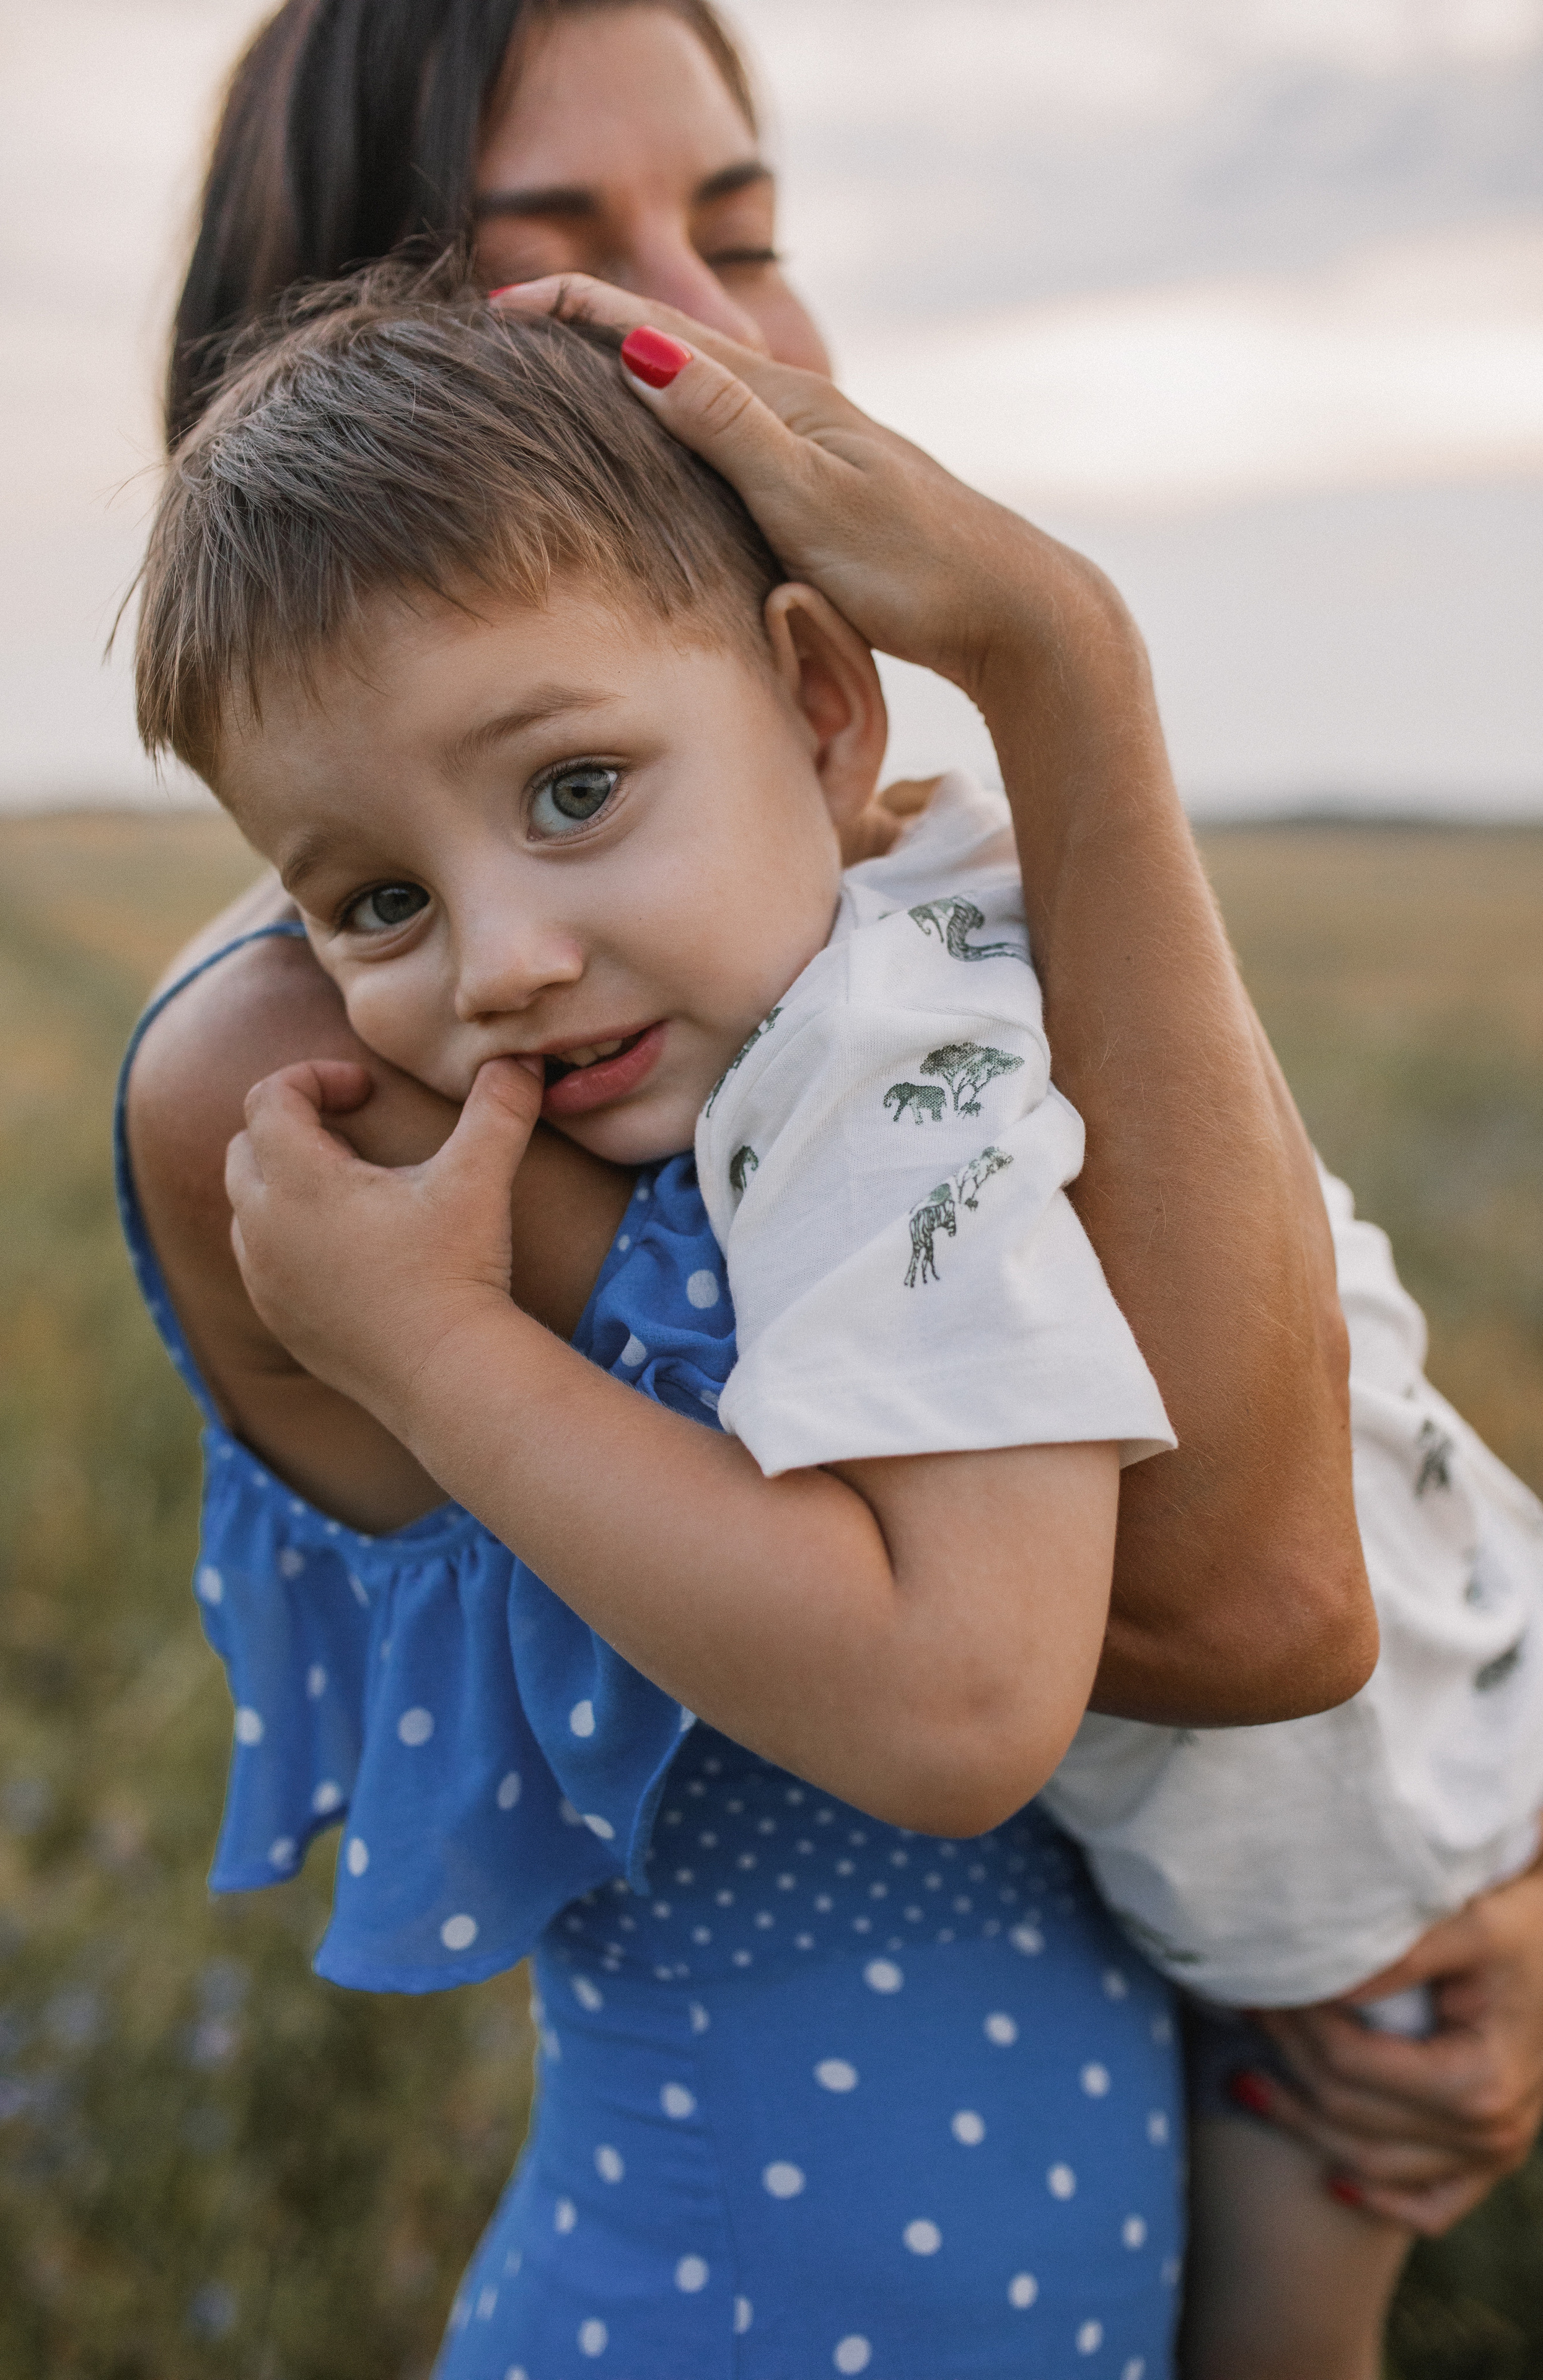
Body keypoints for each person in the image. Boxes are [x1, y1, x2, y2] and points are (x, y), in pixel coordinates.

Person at [120, 0, 1543, 2350]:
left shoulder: (874, 941)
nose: (713, 330)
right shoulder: (381, 1068)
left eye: (746, 232)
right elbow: (1236, 1613)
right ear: (346, 324)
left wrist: (1473, 1841)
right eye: (556, 262)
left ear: (811, 700)